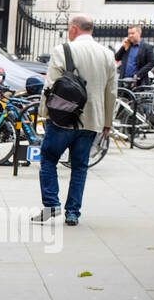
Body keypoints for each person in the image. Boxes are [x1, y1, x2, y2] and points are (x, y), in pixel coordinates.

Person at [34, 13, 118, 227]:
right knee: (80, 167)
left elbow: (50, 86)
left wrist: (44, 115)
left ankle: (51, 205)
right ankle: (73, 213)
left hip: (63, 118)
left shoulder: (62, 51)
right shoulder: (107, 55)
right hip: (92, 120)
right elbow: (112, 92)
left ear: (73, 28)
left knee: (49, 159)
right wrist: (108, 122)